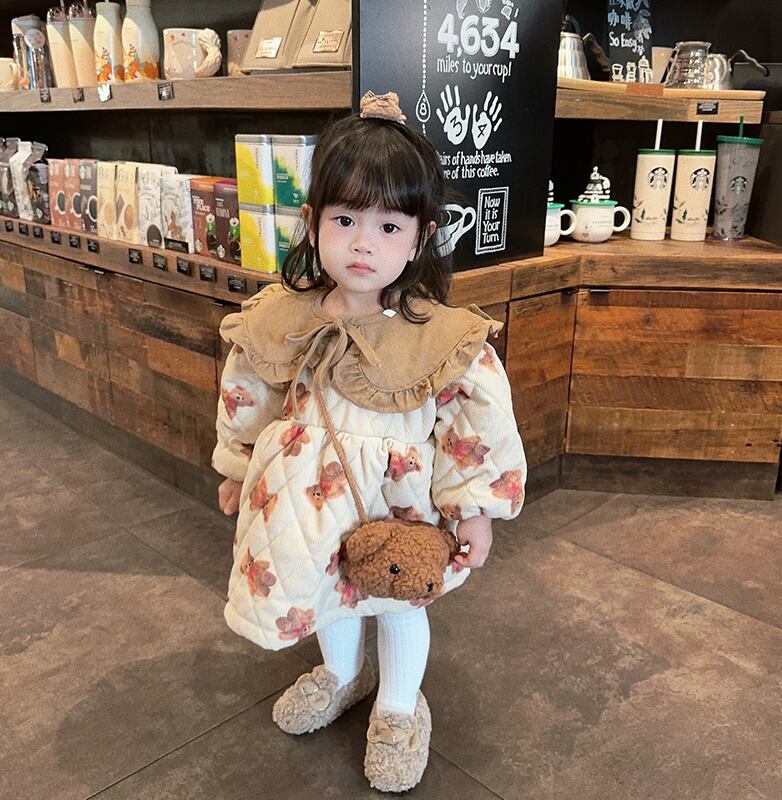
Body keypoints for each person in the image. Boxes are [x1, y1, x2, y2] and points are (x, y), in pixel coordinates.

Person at [212, 91, 526, 792]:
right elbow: (248, 392)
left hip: (399, 504)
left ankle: (398, 707)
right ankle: (342, 673)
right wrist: (236, 464)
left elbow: (476, 429)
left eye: (388, 226)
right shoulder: (281, 318)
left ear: (420, 237)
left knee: (397, 601)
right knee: (328, 589)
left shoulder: (441, 337)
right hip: (305, 502)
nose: (363, 243)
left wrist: (475, 510)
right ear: (312, 222)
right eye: (346, 220)